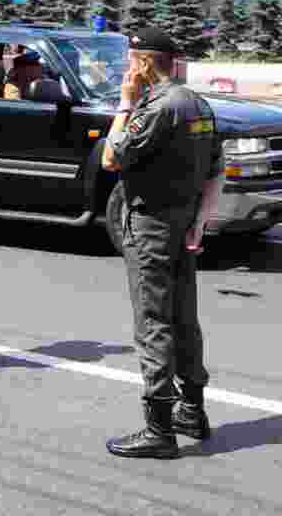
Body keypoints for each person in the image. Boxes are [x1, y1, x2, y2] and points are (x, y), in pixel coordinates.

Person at [101, 27, 220, 459]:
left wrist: (124, 102)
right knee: (184, 318)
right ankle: (193, 410)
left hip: (150, 227)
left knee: (154, 323)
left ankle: (159, 429)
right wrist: (200, 222)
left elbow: (111, 157)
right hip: (184, 223)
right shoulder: (198, 104)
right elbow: (215, 170)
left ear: (145, 63)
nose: (128, 69)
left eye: (132, 61)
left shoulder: (155, 107)